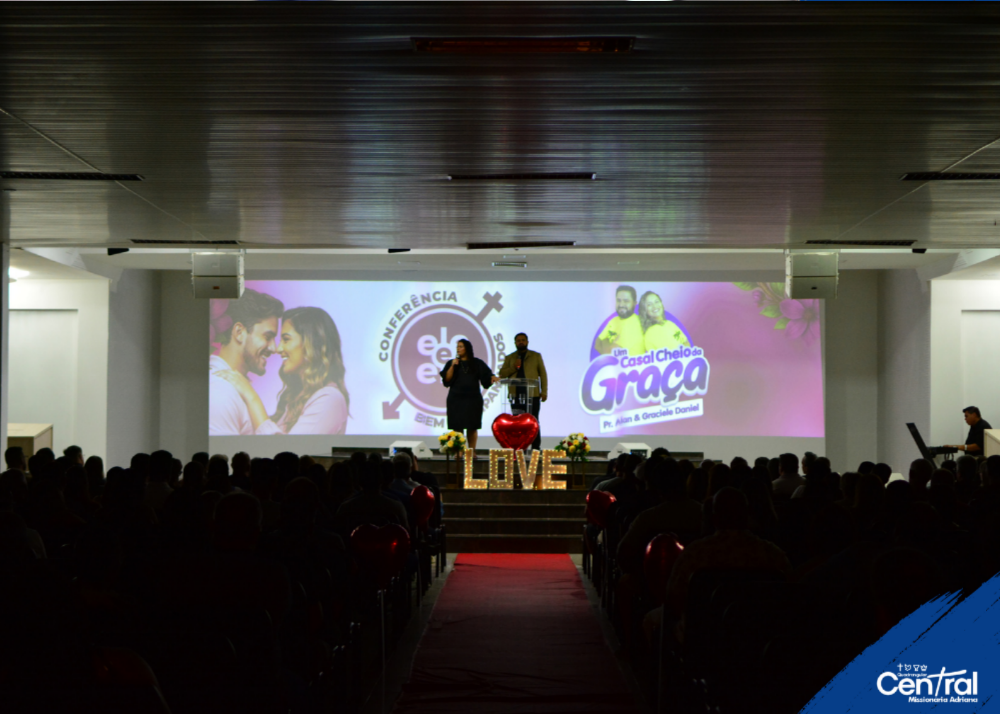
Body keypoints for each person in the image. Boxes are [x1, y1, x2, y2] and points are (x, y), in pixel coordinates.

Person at [217, 306, 350, 435]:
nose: (278, 349)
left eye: (286, 339)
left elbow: (284, 449)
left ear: (312, 343)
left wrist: (251, 397)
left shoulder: (329, 399)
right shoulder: (297, 399)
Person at [209, 289, 284, 435]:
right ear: (239, 332)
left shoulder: (233, 388)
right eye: (267, 337)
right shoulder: (221, 392)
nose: (274, 348)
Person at [439, 338, 499, 453]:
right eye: (457, 347)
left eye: (461, 346)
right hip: (456, 399)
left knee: (472, 426)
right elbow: (446, 380)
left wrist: (492, 378)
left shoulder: (477, 363)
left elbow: (487, 377)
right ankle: (459, 451)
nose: (458, 349)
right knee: (457, 427)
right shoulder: (452, 363)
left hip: (473, 399)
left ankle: (471, 452)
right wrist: (452, 366)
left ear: (467, 348)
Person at [497, 332, 548, 451]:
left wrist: (544, 391)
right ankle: (519, 448)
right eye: (518, 340)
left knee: (534, 421)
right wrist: (514, 367)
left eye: (523, 340)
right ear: (515, 343)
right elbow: (502, 374)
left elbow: (543, 375)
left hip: (532, 394)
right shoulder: (510, 358)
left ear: (527, 342)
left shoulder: (535, 356)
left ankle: (536, 448)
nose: (521, 342)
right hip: (515, 394)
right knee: (517, 423)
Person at [594, 285, 645, 356]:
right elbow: (597, 344)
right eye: (618, 300)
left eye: (626, 301)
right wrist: (611, 354)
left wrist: (610, 347)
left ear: (634, 303)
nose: (621, 305)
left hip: (635, 362)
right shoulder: (612, 321)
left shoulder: (643, 322)